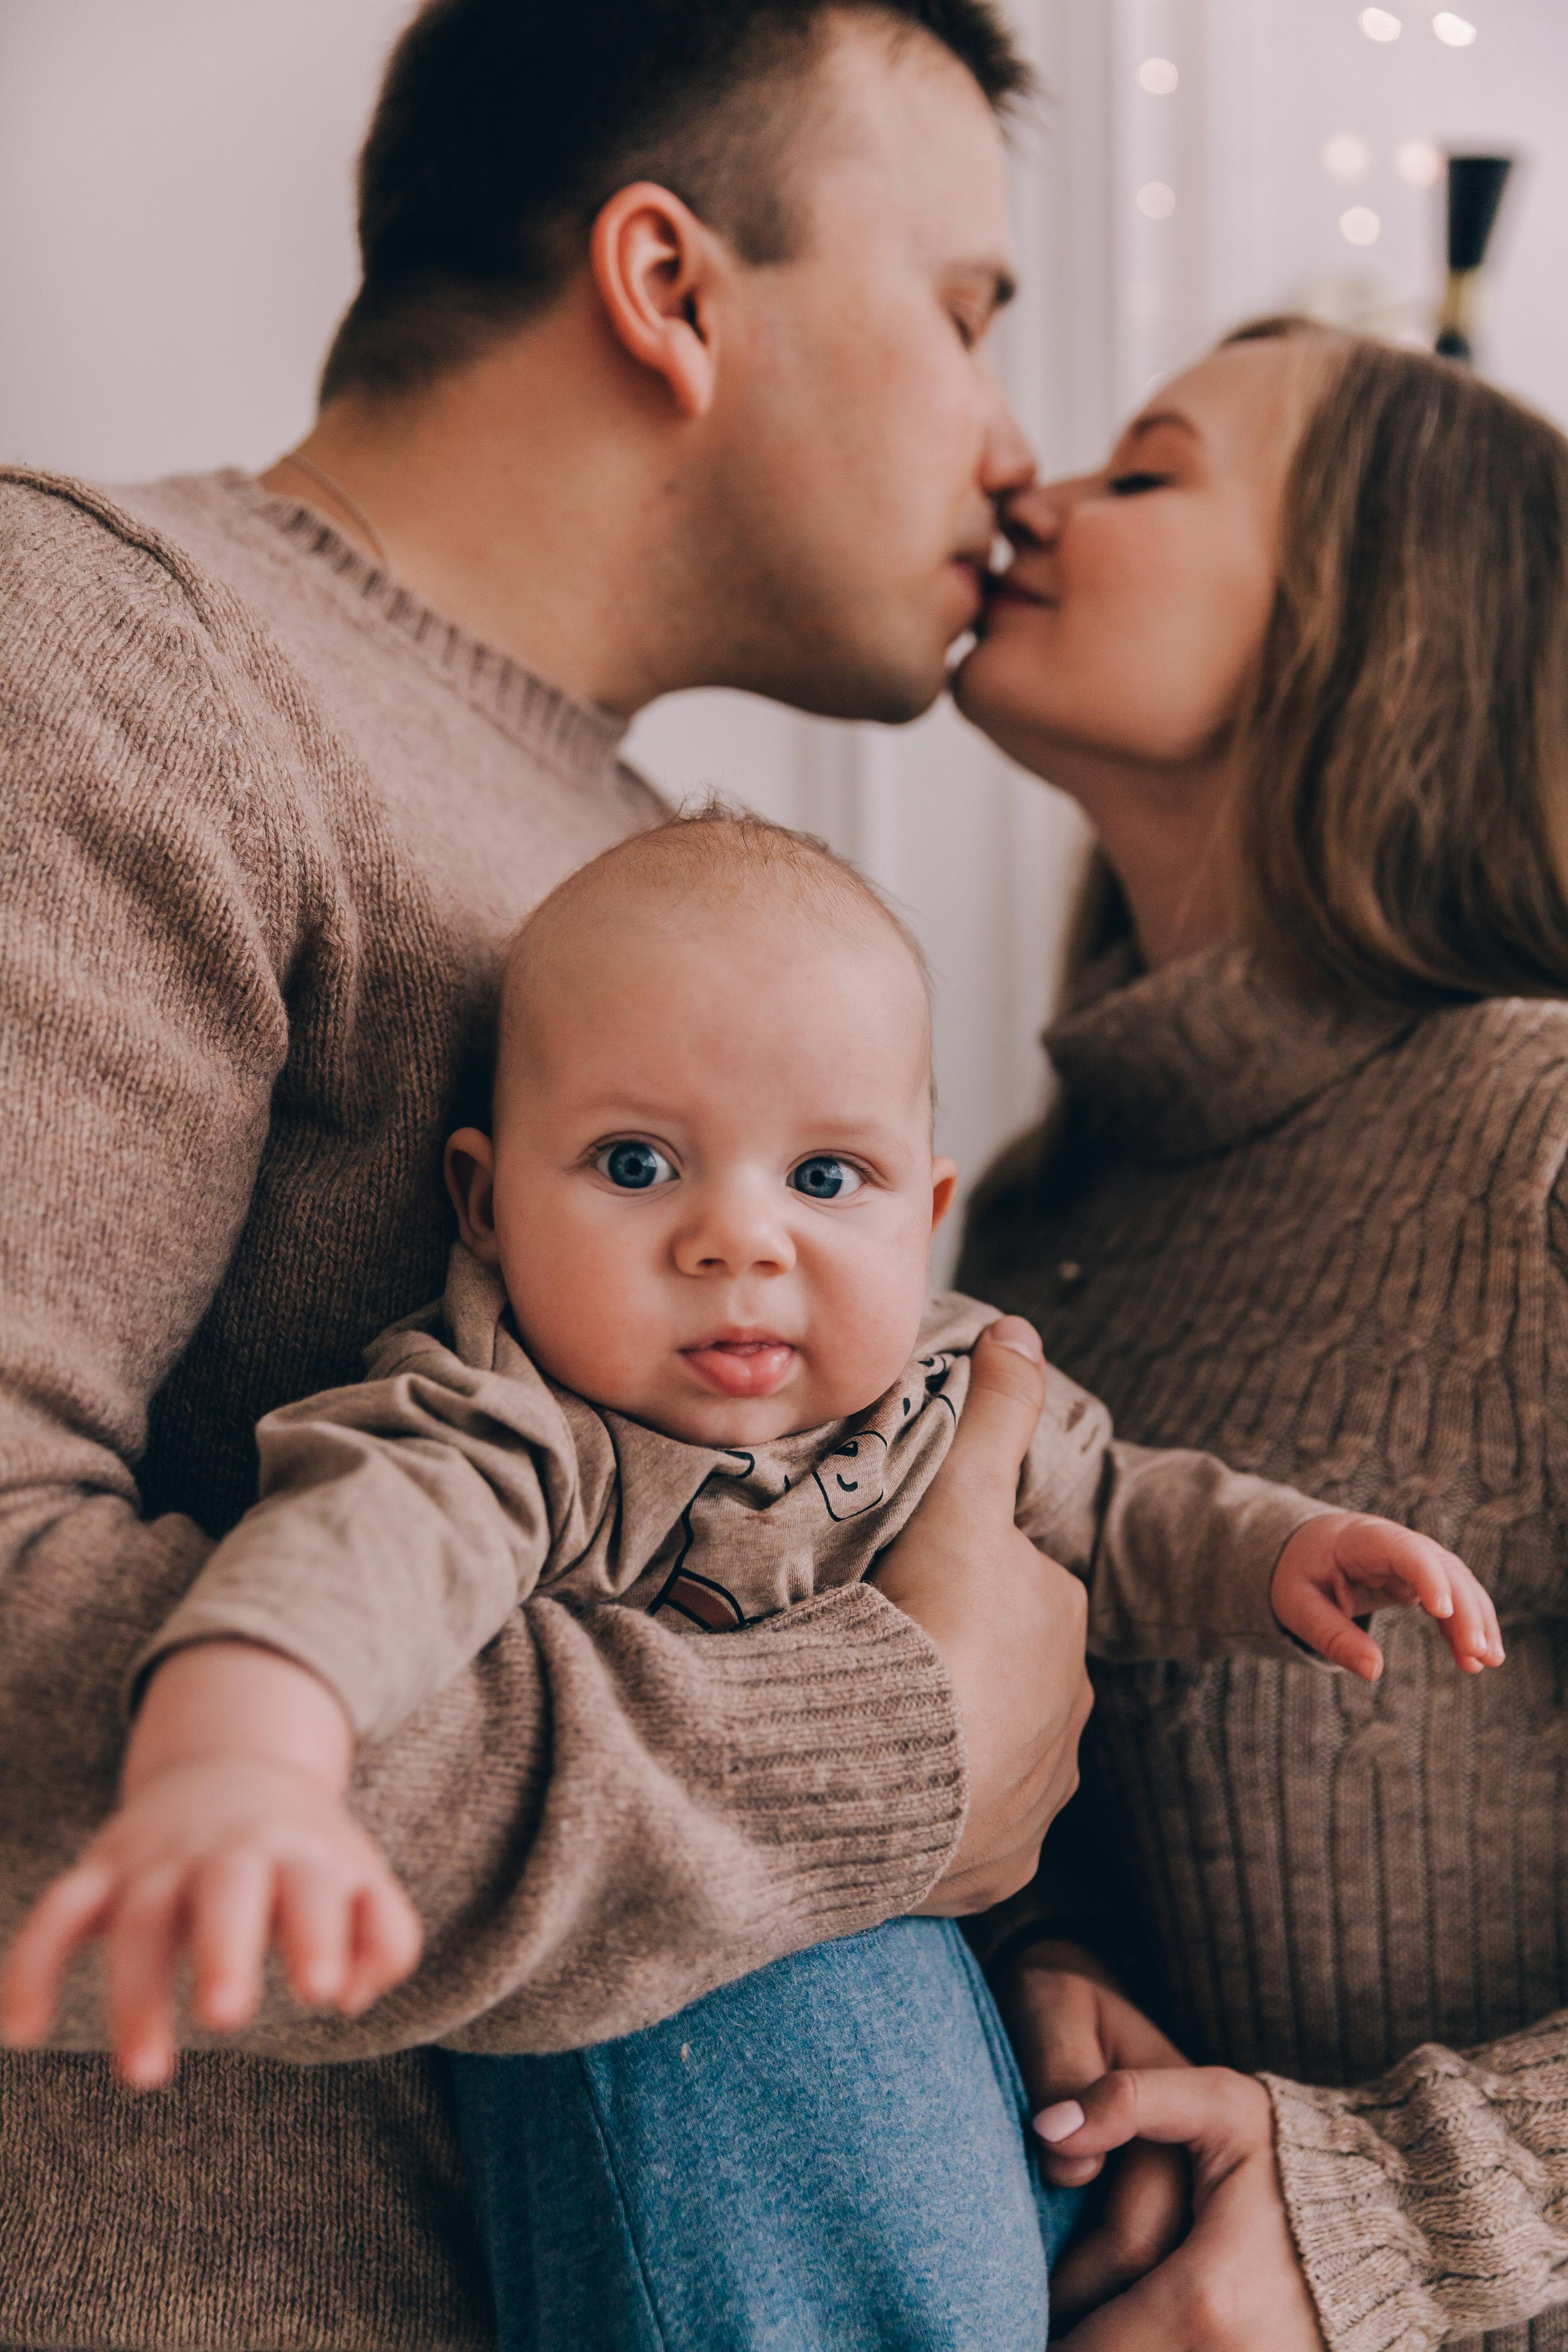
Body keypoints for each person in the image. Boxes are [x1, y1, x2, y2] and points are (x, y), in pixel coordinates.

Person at [0, 7, 1088, 2348]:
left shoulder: (658, 883)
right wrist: (881, 1758)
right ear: (672, 286)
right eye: (964, 315)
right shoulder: (94, 654)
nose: (1019, 454)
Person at [4, 810, 1500, 2351]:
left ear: (925, 1216)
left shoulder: (945, 1394)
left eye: (826, 1175)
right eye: (634, 1165)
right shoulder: (515, 1423)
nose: (737, 1239)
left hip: (941, 2026)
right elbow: (359, 1548)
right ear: (487, 1203)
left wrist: (1278, 1557)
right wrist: (247, 1755)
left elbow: (1119, 1509)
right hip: (651, 2049)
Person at [955, 317, 1568, 2351]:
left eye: (1144, 472)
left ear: (1379, 623)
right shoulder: (1029, 1220)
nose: (1028, 494)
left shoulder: (1541, 1142)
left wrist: (1371, 2212)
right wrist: (1050, 1953)